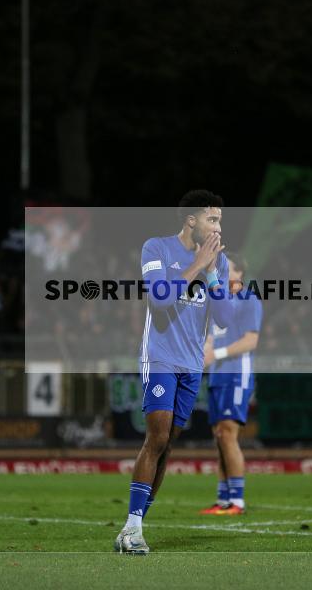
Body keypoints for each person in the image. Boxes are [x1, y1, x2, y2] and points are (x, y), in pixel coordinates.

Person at [114, 190, 235, 555]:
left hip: (191, 363)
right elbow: (160, 299)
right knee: (157, 436)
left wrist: (213, 273)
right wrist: (198, 264)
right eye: (212, 219)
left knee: (168, 444)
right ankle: (133, 528)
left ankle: (133, 527)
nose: (217, 228)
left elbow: (227, 320)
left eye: (220, 221)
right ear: (191, 220)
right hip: (161, 356)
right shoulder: (157, 249)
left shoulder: (219, 262)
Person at [200, 252, 261, 516]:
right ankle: (223, 498)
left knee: (228, 433)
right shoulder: (217, 304)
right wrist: (202, 358)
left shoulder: (248, 299)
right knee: (219, 437)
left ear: (240, 275)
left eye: (228, 270)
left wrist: (218, 354)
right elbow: (211, 341)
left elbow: (250, 341)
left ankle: (237, 500)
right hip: (217, 376)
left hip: (237, 373)